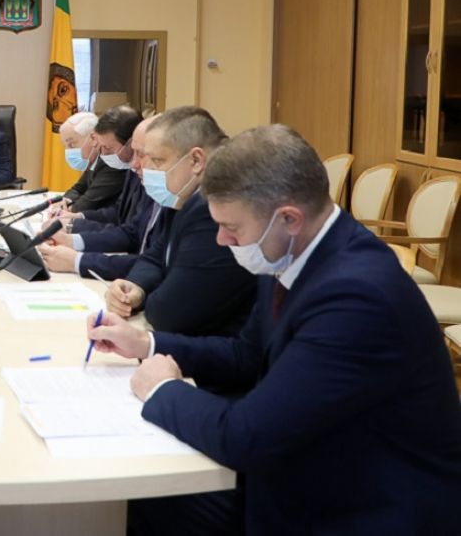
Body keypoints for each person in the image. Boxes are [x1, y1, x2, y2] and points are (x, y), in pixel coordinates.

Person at [89, 124, 461, 536]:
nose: (221, 239)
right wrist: (146, 343)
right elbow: (245, 355)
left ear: (288, 218)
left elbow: (247, 437)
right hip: (311, 463)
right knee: (144, 495)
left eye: (232, 227)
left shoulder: (357, 297)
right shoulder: (290, 250)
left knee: (150, 499)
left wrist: (163, 389)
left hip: (361, 506)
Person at [103, 106, 256, 337]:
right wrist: (135, 287)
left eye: (157, 160)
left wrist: (146, 297)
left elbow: (169, 313)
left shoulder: (214, 208)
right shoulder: (181, 196)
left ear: (196, 160)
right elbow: (154, 256)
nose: (145, 168)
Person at [40, 114, 158, 280]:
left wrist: (77, 261)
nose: (134, 163)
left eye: (143, 154)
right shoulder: (137, 173)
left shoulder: (179, 203)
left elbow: (155, 264)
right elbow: (128, 229)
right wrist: (70, 240)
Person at [56, 108, 132, 212]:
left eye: (72, 144)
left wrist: (67, 208)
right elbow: (77, 189)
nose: (68, 151)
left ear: (93, 138)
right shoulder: (91, 162)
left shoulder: (111, 163)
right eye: (65, 146)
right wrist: (66, 201)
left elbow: (87, 204)